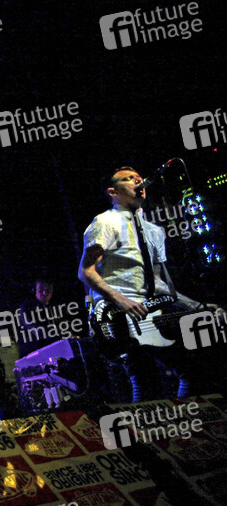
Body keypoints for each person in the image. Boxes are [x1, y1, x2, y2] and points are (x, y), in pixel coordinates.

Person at [78, 166, 223, 401]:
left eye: (138, 177)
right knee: (145, 382)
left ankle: (182, 420)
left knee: (192, 372)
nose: (138, 181)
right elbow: (85, 272)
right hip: (118, 314)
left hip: (151, 313)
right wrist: (121, 300)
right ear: (113, 192)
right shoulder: (105, 222)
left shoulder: (154, 232)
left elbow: (158, 282)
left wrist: (198, 307)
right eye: (128, 179)